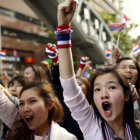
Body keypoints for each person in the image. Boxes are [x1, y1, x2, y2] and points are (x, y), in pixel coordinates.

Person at [56, 0, 140, 139]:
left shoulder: (137, 130)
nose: (103, 94)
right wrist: (63, 28)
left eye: (112, 87)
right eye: (97, 89)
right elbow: (69, 87)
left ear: (126, 96)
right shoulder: (91, 124)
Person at [0, 81, 77, 140]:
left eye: (32, 101)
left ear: (49, 104)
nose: (25, 109)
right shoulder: (19, 126)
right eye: (21, 103)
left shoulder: (66, 138)